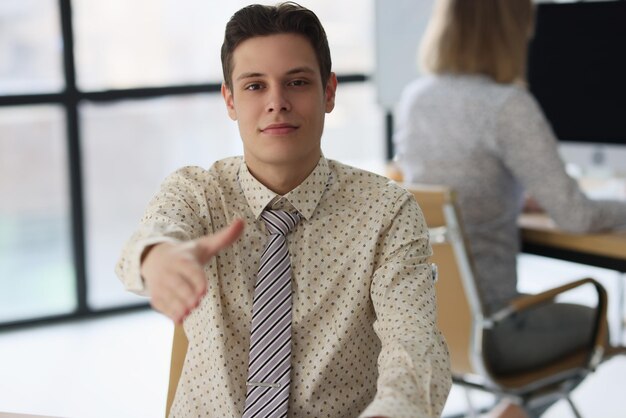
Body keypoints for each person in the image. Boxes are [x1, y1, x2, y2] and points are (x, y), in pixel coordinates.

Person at [116, 2, 451, 417]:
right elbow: (150, 238)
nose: (277, 102)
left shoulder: (388, 211)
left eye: (296, 82)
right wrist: (157, 258)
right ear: (230, 101)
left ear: (329, 92)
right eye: (255, 86)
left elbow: (414, 344)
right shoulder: (197, 192)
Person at [393, 0, 626, 417]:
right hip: (496, 331)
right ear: (510, 28)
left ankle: (508, 409)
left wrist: (519, 196)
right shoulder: (505, 105)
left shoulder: (416, 98)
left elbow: (456, 189)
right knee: (600, 324)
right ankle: (513, 412)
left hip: (432, 321)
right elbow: (577, 216)